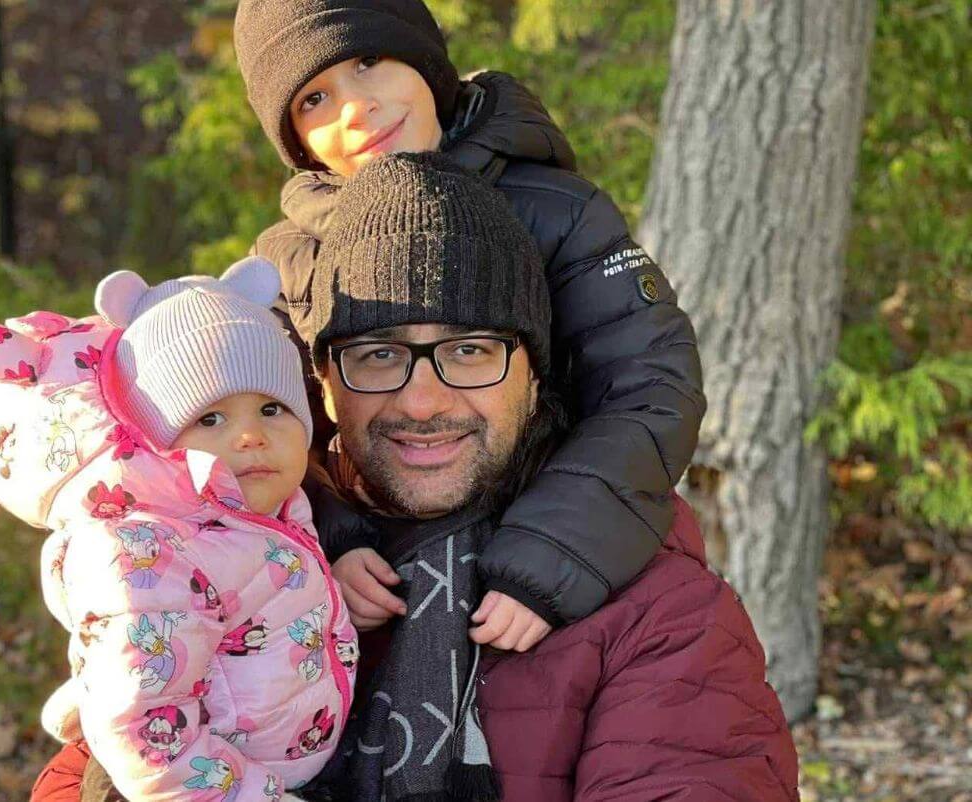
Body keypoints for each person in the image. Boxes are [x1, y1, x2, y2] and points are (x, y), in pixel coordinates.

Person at [31, 154, 798, 802]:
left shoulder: (662, 620)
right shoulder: (225, 562)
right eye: (378, 355)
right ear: (323, 384)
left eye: (470, 351)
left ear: (534, 376)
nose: (422, 401)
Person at [234, 0, 708, 651]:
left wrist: (552, 550)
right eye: (314, 98)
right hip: (381, 565)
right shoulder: (294, 258)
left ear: (425, 60)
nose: (354, 109)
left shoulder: (558, 214)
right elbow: (265, 431)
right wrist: (330, 538)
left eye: (370, 61)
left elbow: (649, 385)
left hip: (543, 540)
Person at [0, 257, 356, 801]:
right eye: (209, 418)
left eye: (271, 408)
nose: (250, 436)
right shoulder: (149, 556)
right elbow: (149, 737)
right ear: (153, 440)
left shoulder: (266, 507)